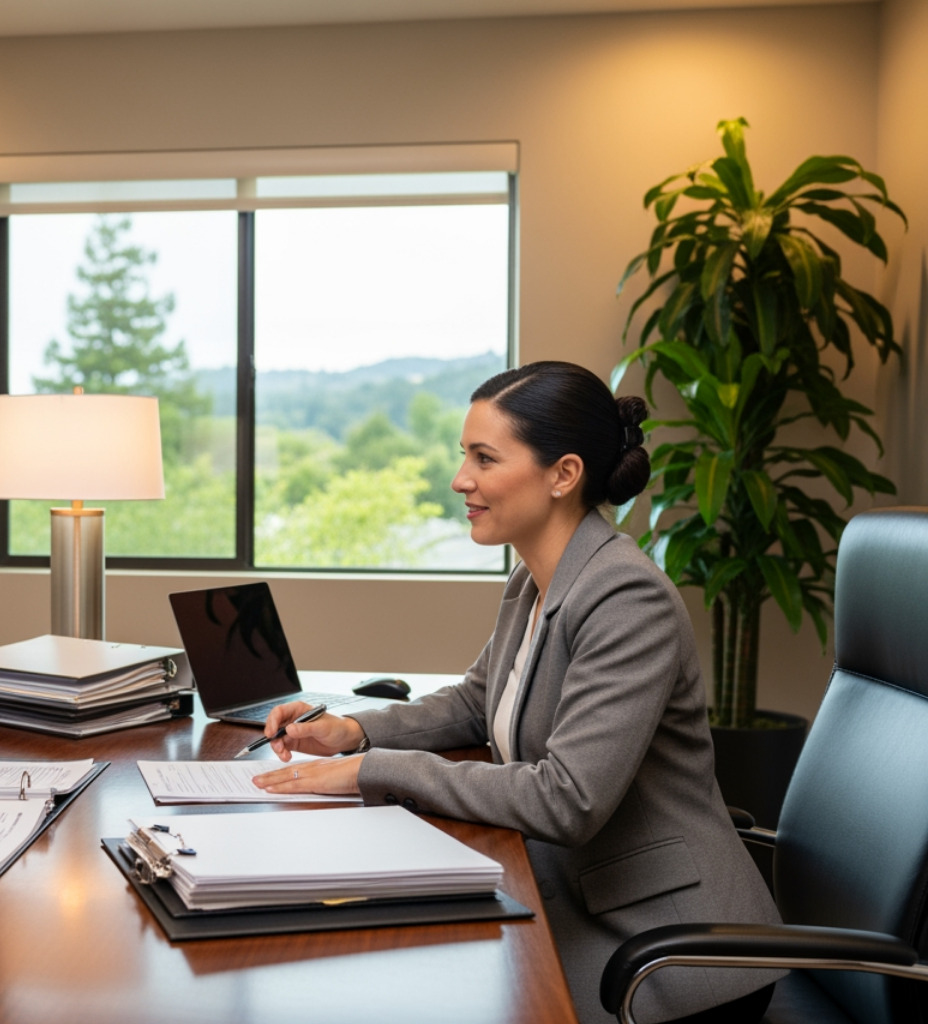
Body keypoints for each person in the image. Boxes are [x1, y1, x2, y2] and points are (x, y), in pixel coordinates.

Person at [252, 361, 781, 1024]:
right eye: (463, 455)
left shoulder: (625, 596)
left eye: (484, 457)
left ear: (563, 474)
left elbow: (567, 800)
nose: (460, 480)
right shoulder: (536, 579)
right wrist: (356, 732)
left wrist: (374, 771)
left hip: (668, 955)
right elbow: (479, 701)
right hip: (585, 901)